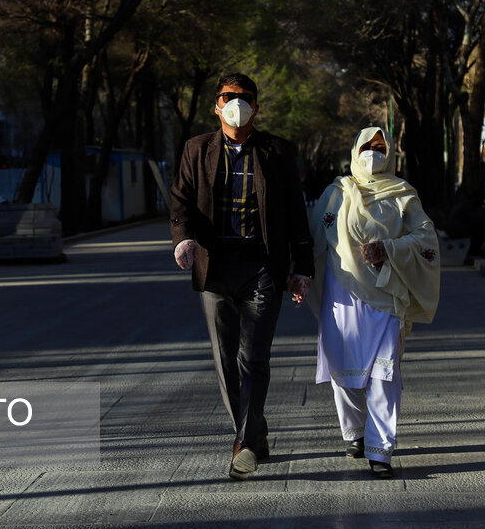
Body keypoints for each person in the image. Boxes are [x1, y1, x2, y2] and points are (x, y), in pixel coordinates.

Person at [170, 73, 314, 481]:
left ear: (256, 106)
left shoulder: (277, 151)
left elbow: (294, 211)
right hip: (215, 267)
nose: (237, 103)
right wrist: (183, 239)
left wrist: (302, 268)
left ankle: (245, 443)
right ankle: (254, 431)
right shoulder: (197, 149)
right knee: (225, 359)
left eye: (245, 98)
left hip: (262, 268)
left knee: (254, 357)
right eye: (228, 97)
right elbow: (180, 198)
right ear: (216, 106)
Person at [307, 127, 440, 479]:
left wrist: (390, 248)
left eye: (380, 147)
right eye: (367, 146)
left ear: (391, 152)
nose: (373, 152)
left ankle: (380, 450)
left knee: (384, 373)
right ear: (355, 150)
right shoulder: (336, 193)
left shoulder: (402, 194)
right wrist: (300, 276)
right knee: (344, 369)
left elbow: (425, 238)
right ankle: (354, 434)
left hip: (386, 295)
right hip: (342, 295)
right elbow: (313, 240)